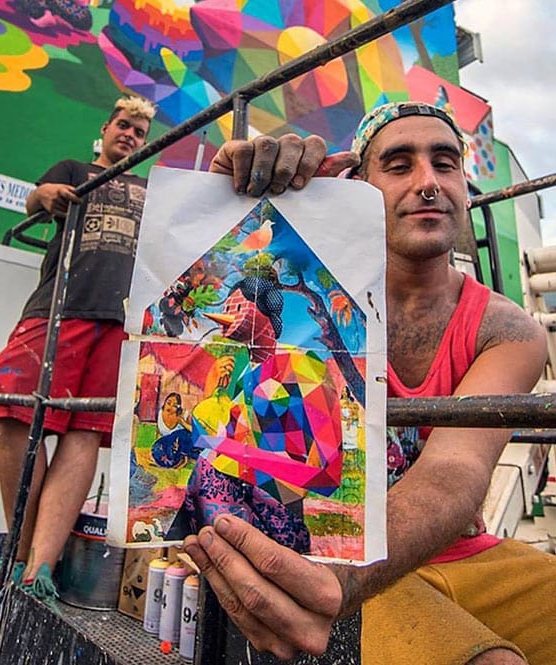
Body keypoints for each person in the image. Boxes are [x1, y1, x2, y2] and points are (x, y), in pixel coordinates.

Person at [184, 102, 556, 665]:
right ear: (358, 185)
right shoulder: (310, 293)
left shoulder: (509, 331)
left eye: (445, 162)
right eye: (400, 165)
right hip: (329, 548)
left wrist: (341, 583)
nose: (428, 182)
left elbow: (456, 469)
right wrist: (234, 203)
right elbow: (220, 344)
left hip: (451, 555)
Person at [0, 96, 156, 604]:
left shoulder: (149, 189)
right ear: (105, 128)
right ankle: (18, 549)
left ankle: (40, 568)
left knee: (84, 432)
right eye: (124, 125)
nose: (130, 135)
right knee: (15, 407)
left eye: (140, 131)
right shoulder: (76, 170)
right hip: (58, 307)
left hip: (120, 318)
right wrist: (50, 195)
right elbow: (35, 199)